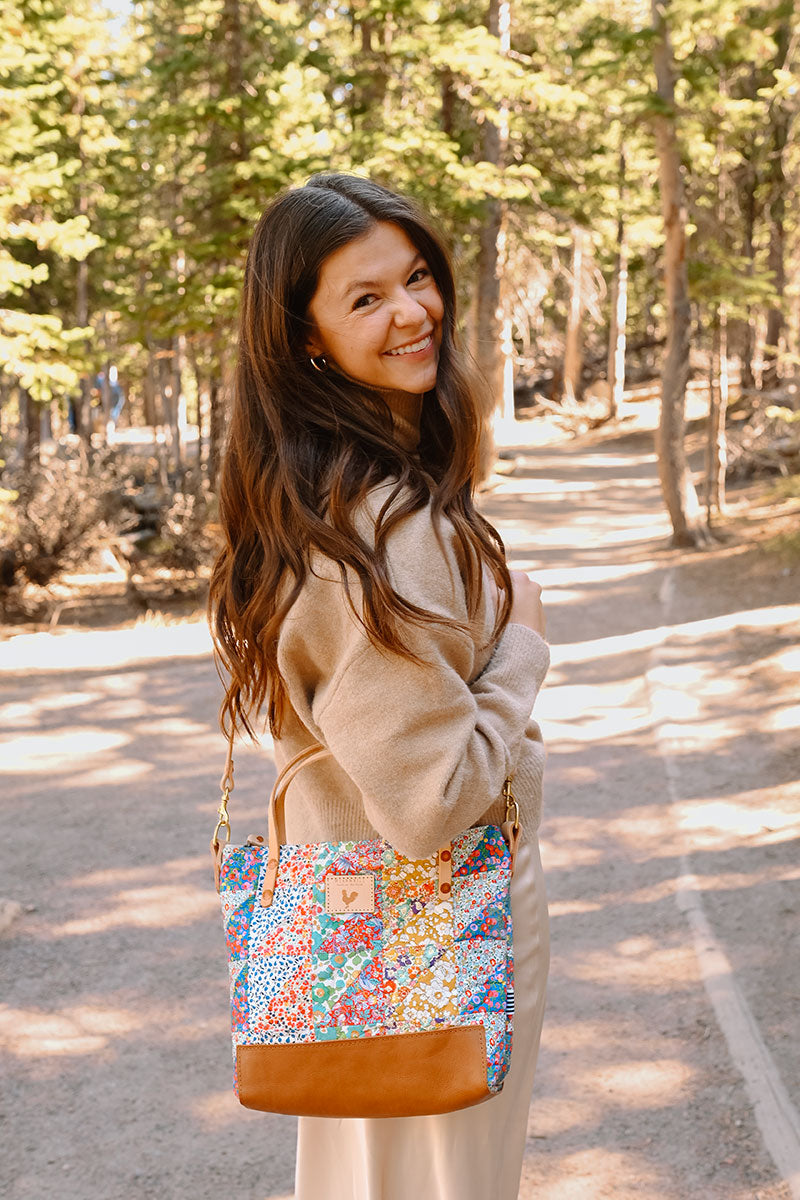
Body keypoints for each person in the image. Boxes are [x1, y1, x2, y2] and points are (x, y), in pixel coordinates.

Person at [208, 173, 551, 1200]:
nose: (411, 312)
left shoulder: (306, 498)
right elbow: (432, 805)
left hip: (346, 931)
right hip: (443, 928)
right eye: (364, 299)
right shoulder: (386, 527)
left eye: (414, 278)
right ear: (306, 338)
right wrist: (521, 642)